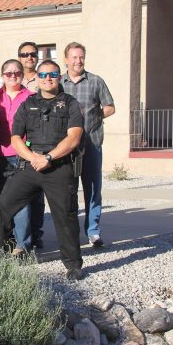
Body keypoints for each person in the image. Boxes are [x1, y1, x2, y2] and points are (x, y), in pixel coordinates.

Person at [0, 60, 84, 280]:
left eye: (52, 74)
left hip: (59, 166)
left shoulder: (70, 103)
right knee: (2, 207)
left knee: (65, 216)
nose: (47, 78)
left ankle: (73, 265)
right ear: (37, 78)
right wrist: (33, 158)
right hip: (31, 164)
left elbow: (74, 137)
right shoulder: (28, 104)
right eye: (43, 74)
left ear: (59, 77)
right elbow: (15, 138)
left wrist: (49, 158)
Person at [61, 42, 115, 248]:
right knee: (69, 189)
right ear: (66, 59)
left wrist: (95, 116)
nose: (78, 61)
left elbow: (110, 107)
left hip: (91, 142)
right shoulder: (59, 83)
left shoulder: (95, 81)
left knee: (92, 188)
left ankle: (93, 231)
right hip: (67, 145)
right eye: (74, 57)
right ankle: (71, 232)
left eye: (81, 57)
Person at [0, 59, 34, 255]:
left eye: (17, 72)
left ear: (22, 75)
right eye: (8, 73)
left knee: (22, 202)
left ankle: (22, 245)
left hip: (21, 156)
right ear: (2, 76)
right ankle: (0, 241)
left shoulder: (32, 98)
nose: (13, 76)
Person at [17, 42, 46, 249]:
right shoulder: (12, 78)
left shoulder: (44, 79)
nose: (29, 58)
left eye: (32, 54)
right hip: (19, 144)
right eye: (25, 54)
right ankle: (20, 235)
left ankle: (36, 234)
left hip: (38, 144)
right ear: (19, 57)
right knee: (20, 194)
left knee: (37, 195)